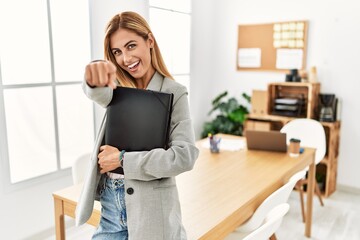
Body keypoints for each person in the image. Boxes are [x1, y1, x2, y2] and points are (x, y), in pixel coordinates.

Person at [75, 11, 199, 240]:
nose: (125, 58)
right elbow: (97, 91)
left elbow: (184, 156)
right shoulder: (117, 89)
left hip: (152, 213)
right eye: (117, 52)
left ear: (149, 41)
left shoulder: (175, 92)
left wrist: (123, 159)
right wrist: (93, 77)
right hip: (111, 209)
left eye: (131, 46)